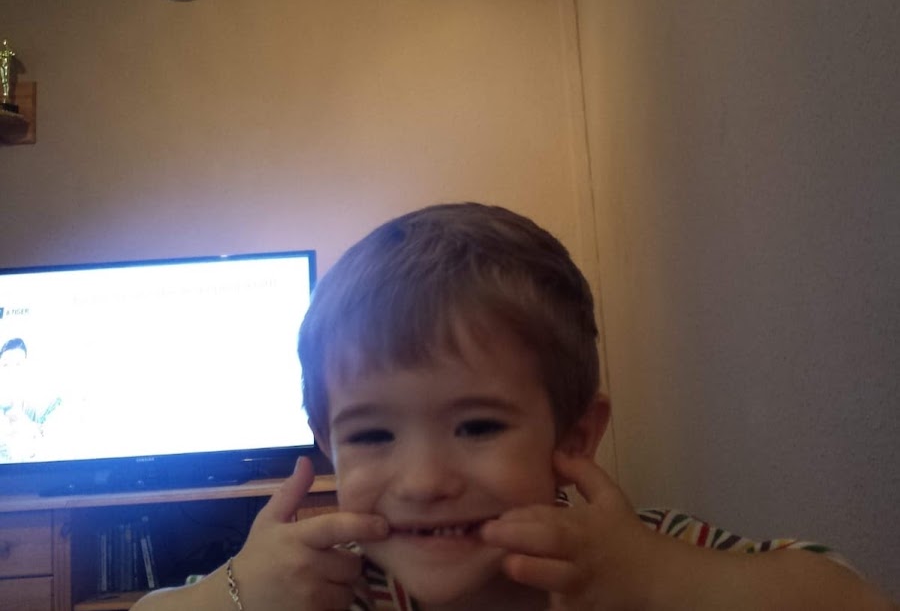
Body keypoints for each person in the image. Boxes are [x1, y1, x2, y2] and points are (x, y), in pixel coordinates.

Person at [134, 203, 895, 610]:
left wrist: (659, 580)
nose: (424, 481)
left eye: (477, 426)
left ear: (575, 435)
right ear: (327, 444)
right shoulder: (337, 586)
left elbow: (848, 597)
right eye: (372, 434)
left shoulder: (634, 554)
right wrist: (240, 594)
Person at [0, 337, 62, 462]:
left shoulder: (47, 408)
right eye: (5, 365)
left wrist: (24, 423)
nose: (12, 371)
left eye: (18, 364)